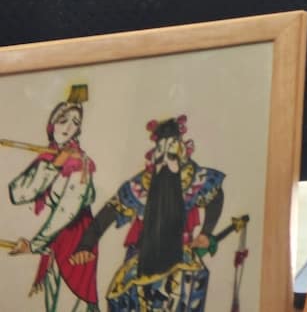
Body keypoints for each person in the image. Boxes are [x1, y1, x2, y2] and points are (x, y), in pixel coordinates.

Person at [77, 117, 230, 312]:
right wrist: (86, 245)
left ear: (182, 157)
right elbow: (107, 214)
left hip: (179, 256)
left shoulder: (192, 179)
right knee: (120, 296)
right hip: (142, 258)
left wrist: (206, 232)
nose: (165, 163)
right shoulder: (140, 185)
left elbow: (215, 195)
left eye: (171, 157)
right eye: (160, 158)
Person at [5, 88, 98, 312]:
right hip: (56, 241)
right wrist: (53, 166)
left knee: (70, 304)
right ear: (52, 124)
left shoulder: (80, 163)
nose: (68, 128)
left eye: (75, 123)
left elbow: (67, 211)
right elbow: (19, 194)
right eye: (63, 120)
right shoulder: (49, 157)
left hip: (78, 242)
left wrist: (34, 245)